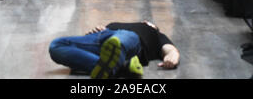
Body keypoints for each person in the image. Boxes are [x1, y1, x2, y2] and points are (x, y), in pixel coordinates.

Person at [49, 21, 180, 79]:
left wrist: (172, 57)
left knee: (121, 39)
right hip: (101, 37)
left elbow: (171, 50)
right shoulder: (115, 24)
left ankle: (113, 60)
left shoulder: (155, 34)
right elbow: (96, 34)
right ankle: (119, 68)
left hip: (130, 40)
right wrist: (93, 31)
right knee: (56, 46)